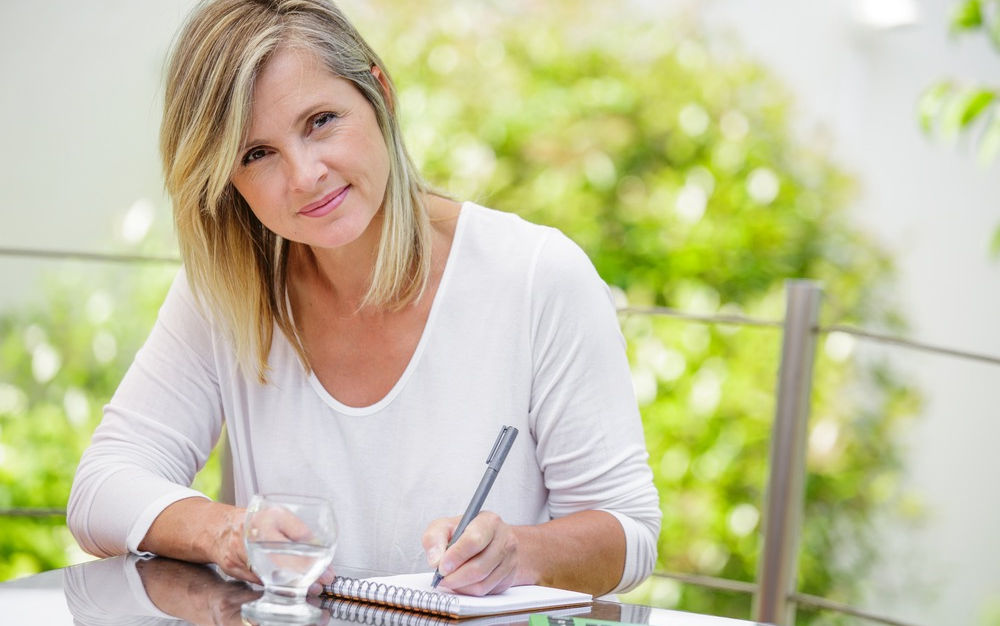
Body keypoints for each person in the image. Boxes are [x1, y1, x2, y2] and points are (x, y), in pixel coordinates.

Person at [67, 0, 661, 598]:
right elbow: (101, 487)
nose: (305, 175)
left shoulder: (537, 275)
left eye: (321, 120)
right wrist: (230, 533)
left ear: (381, 94)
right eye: (256, 154)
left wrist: (520, 554)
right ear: (226, 179)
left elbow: (629, 532)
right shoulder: (228, 291)